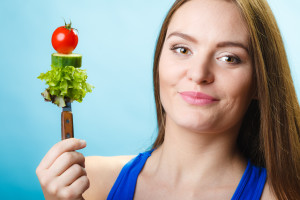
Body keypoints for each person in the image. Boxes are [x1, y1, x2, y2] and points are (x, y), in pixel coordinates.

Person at [36, 0, 300, 199]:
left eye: (229, 58)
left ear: (259, 82)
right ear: (159, 61)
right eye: (182, 49)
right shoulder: (88, 183)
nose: (198, 74)